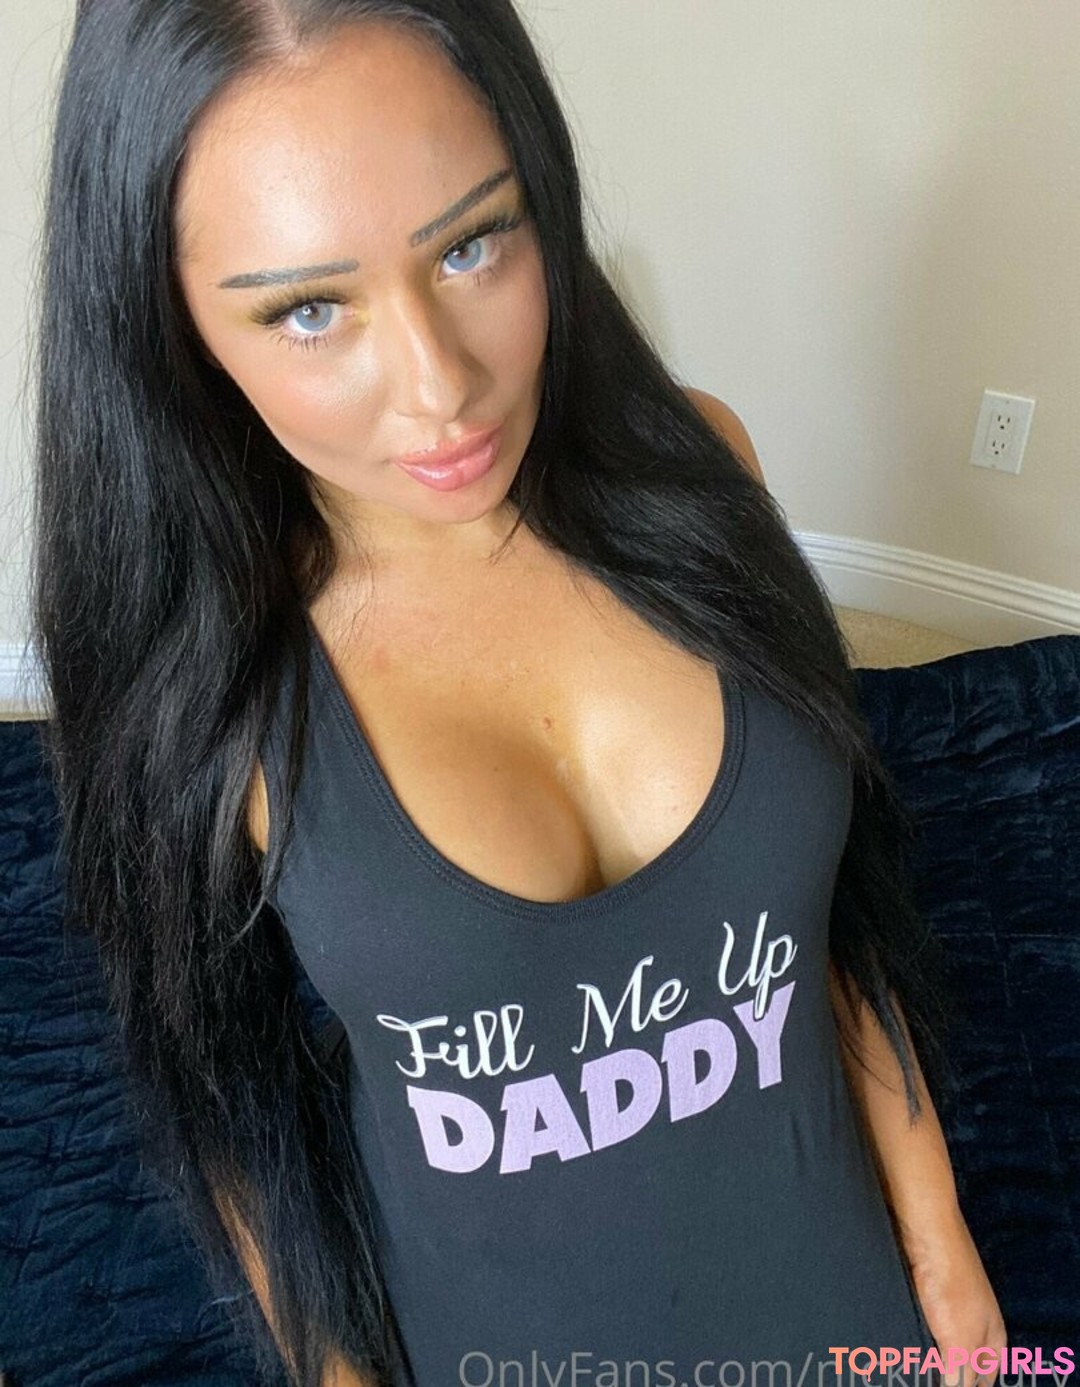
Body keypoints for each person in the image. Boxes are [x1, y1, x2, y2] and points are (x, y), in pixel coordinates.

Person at [32, 3, 1006, 1386]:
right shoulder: (200, 683)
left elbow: (829, 910)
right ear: (169, 326)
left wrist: (939, 1238)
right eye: (309, 310)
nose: (442, 390)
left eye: (471, 244)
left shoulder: (709, 470)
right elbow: (235, 1111)